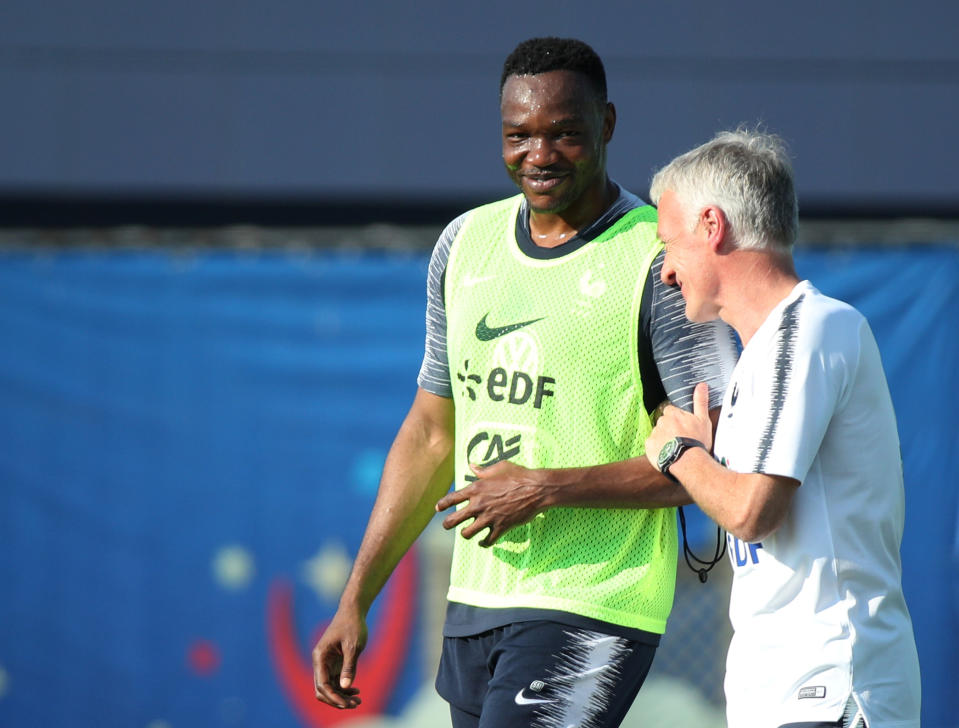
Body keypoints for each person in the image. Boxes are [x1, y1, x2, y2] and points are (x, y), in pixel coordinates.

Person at [312, 37, 739, 727]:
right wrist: (355, 598)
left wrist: (543, 487)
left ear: (605, 124)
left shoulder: (656, 260)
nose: (538, 155)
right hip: (476, 601)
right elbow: (428, 437)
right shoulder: (464, 244)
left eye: (564, 134)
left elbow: (708, 464)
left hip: (594, 599)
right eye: (519, 136)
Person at [644, 129, 922, 728]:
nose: (666, 272)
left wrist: (677, 453)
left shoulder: (809, 329)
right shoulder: (763, 356)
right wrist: (703, 454)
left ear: (712, 226)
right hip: (784, 697)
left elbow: (751, 513)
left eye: (669, 243)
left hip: (832, 688)